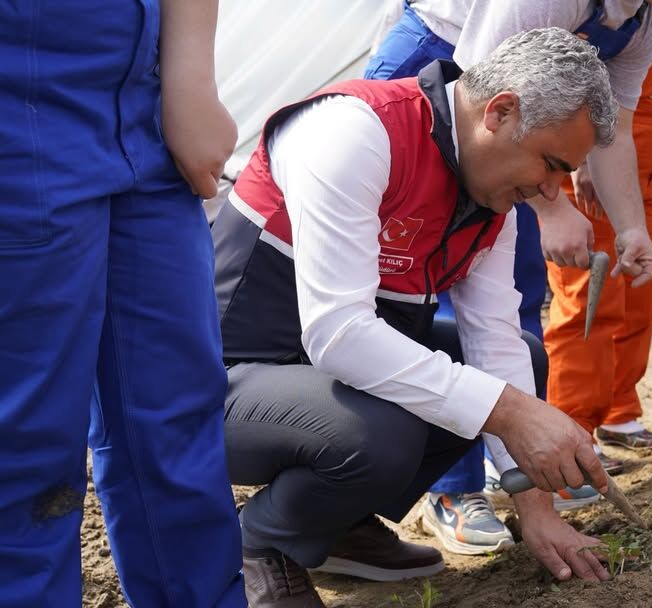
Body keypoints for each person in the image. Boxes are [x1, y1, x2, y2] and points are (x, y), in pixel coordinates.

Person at [212, 29, 619, 607]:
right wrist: (511, 411)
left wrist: (536, 509)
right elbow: (339, 333)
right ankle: (257, 545)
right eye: (551, 165)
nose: (550, 190)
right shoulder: (356, 132)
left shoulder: (490, 198)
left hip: (318, 383)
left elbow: (495, 342)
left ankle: (333, 526)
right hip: (220, 383)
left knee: (519, 358)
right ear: (500, 112)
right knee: (382, 430)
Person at [363, 0, 652, 555]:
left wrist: (630, 227)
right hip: (447, 81)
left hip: (528, 127)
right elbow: (481, 101)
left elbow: (613, 129)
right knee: (436, 289)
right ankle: (453, 489)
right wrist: (551, 205)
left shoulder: (648, 16)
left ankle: (528, 476)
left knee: (510, 301)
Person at [0, 1, 245, 606]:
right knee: (24, 445)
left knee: (176, 414)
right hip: (19, 95)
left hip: (145, 101)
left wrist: (191, 76)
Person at [545, 1, 652, 474]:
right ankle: (572, 426)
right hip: (597, 178)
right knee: (590, 303)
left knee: (639, 296)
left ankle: (620, 410)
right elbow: (577, 85)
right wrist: (581, 161)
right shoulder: (613, 12)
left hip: (645, 183)